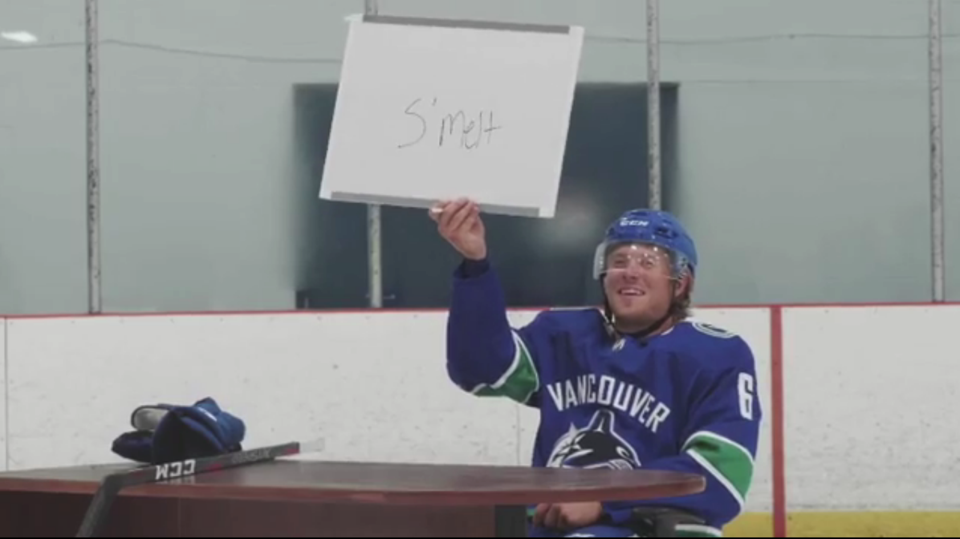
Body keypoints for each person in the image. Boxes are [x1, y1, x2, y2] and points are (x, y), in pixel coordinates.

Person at [431, 198, 762, 538]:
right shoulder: (564, 335)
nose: (630, 271)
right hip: (552, 524)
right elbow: (480, 371)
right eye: (619, 260)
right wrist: (475, 263)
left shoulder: (717, 355)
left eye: (648, 262)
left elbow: (723, 475)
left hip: (651, 526)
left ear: (681, 283)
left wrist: (604, 502)